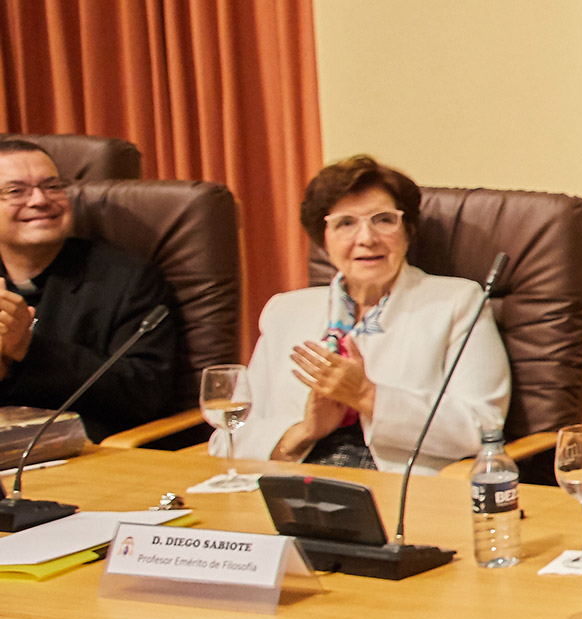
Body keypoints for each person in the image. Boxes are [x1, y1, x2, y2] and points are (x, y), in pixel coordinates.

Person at [245, 155, 511, 473]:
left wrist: (366, 395)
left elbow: (483, 427)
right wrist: (304, 432)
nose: (367, 238)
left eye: (384, 220)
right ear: (323, 239)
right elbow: (232, 433)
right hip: (292, 480)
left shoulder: (457, 303)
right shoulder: (285, 311)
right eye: (345, 223)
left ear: (407, 230)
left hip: (400, 490)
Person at [0, 138, 182, 439]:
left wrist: (28, 350)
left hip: (87, 452)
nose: (40, 200)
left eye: (52, 186)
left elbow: (145, 392)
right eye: (16, 191)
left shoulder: (127, 279)